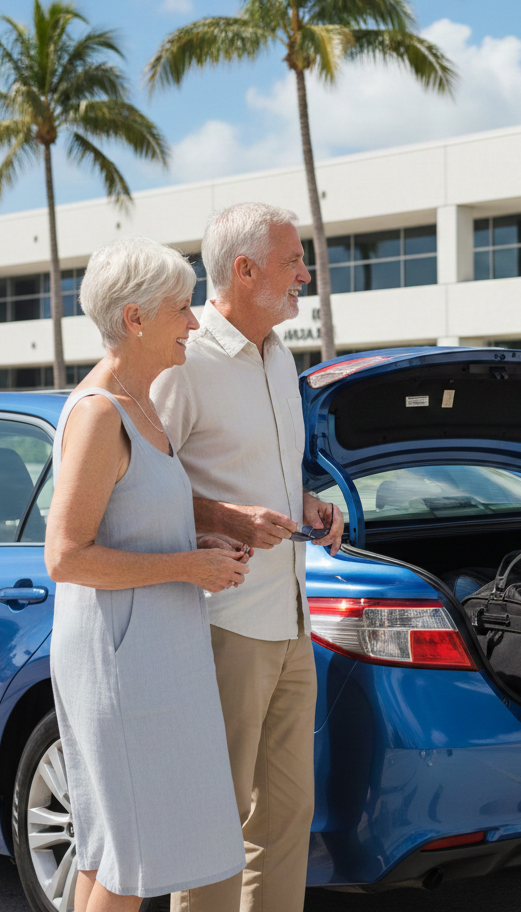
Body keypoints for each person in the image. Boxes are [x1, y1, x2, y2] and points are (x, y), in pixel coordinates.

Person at [45, 238, 249, 912]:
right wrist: (188, 564)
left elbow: (130, 522)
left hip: (151, 655)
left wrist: (200, 540)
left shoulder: (141, 404)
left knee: (111, 850)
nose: (194, 322)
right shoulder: (102, 413)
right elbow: (67, 556)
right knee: (128, 860)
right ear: (135, 319)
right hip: (120, 662)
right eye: (181, 309)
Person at [151, 202, 343, 912]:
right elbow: (140, 483)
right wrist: (223, 517)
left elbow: (267, 468)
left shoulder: (279, 353)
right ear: (245, 269)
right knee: (215, 821)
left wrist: (308, 502)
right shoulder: (184, 358)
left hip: (292, 617)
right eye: (293, 260)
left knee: (286, 818)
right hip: (222, 621)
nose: (305, 273)